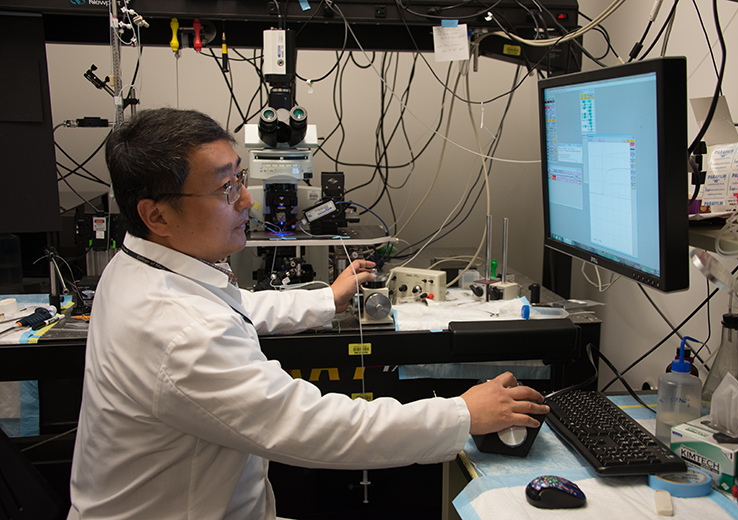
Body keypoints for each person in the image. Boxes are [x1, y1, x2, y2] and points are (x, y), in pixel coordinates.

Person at [67, 107, 548, 520]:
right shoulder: (178, 328)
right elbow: (315, 427)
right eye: (225, 190)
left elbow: (233, 308)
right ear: (158, 215)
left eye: (240, 178)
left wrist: (325, 298)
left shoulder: (137, 264)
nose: (247, 200)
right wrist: (461, 414)